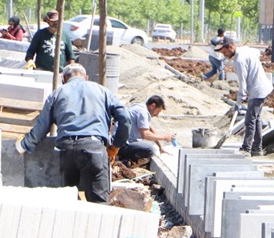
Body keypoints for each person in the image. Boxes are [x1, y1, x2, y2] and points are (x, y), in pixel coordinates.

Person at [16, 62, 130, 204]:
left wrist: (23, 145)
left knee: (69, 204)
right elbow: (125, 119)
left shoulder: (57, 94)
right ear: (86, 77)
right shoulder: (103, 91)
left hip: (66, 150)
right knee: (99, 205)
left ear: (64, 78)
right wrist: (115, 146)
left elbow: (42, 127)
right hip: (94, 148)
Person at [220, 36, 273, 156]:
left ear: (231, 47)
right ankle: (257, 148)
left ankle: (246, 148)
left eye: (225, 52)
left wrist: (239, 101)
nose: (224, 55)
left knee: (249, 120)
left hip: (257, 89)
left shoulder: (239, 61)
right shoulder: (245, 49)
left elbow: (242, 85)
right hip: (262, 87)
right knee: (256, 118)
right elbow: (257, 52)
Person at [118, 95, 176, 165]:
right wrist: (164, 137)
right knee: (150, 150)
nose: (157, 115)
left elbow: (150, 129)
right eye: (158, 111)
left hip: (120, 143)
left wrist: (160, 146)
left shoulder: (139, 108)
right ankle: (124, 160)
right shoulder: (142, 112)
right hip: (123, 145)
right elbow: (145, 134)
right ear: (152, 106)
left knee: (147, 148)